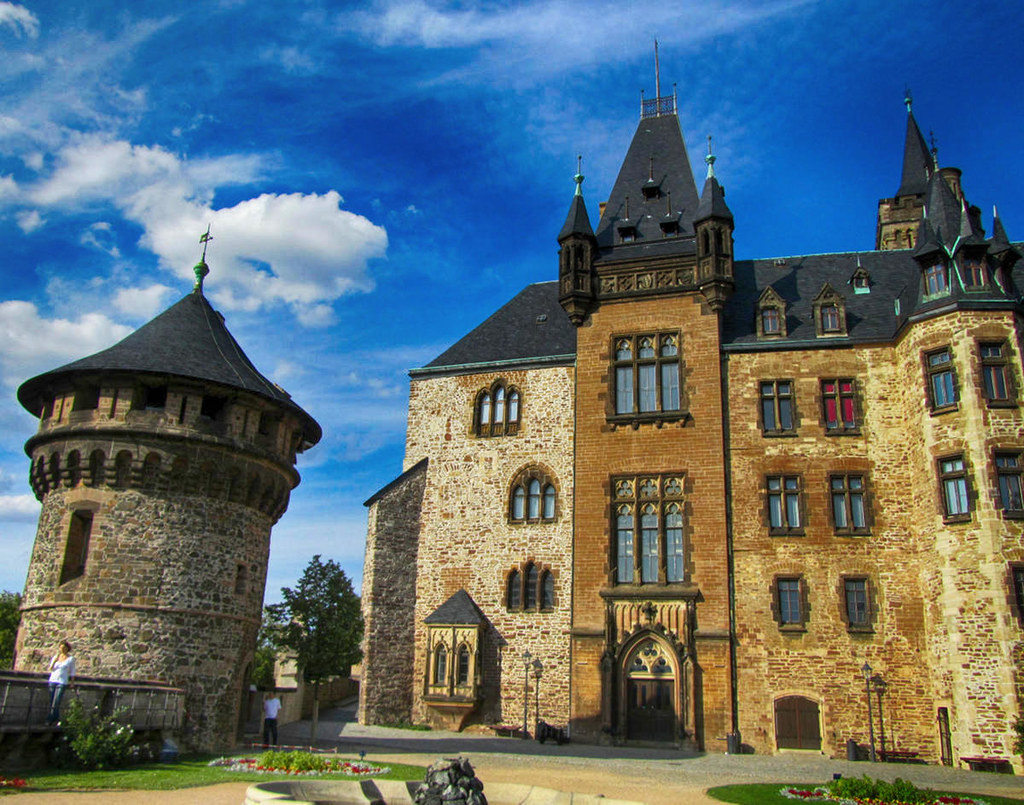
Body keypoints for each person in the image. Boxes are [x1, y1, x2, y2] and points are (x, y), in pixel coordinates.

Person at [47, 640, 75, 724]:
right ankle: (56, 719)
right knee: (52, 700)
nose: (62, 649)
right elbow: (50, 669)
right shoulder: (56, 657)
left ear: (67, 648)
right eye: (60, 647)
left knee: (57, 700)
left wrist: (72, 682)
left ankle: (50, 719)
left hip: (62, 681)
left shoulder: (70, 659)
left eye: (63, 648)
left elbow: (72, 671)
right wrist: (54, 661)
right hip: (53, 680)